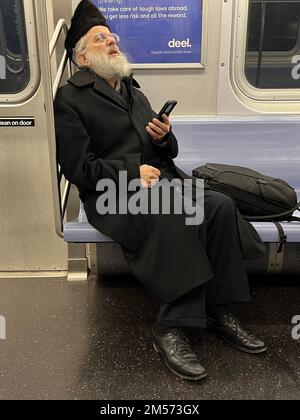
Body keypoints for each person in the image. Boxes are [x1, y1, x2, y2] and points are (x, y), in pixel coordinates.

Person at [54, 0, 267, 381]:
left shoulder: (133, 90)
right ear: (82, 58)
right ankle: (171, 325)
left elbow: (162, 152)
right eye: (100, 39)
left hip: (158, 183)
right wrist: (131, 171)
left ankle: (217, 310)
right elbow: (77, 168)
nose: (112, 42)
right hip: (109, 193)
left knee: (217, 205)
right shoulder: (70, 100)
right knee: (172, 209)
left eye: (112, 36)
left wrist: (165, 138)